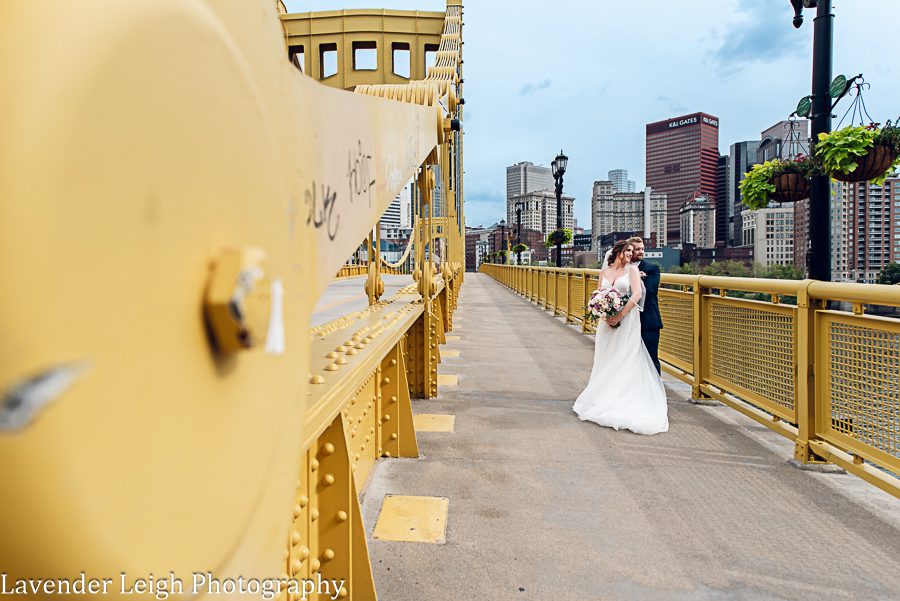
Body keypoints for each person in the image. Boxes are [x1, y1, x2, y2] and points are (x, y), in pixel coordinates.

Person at [572, 240, 668, 435]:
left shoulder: (632, 270)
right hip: (606, 323)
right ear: (618, 251)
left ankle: (624, 398)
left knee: (625, 357)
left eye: (633, 251)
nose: (631, 254)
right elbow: (598, 292)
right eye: (629, 250)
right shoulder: (604, 271)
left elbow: (638, 293)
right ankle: (603, 396)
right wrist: (603, 312)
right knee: (606, 357)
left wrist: (620, 314)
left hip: (627, 320)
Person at [627, 236, 663, 375]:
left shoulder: (652, 269)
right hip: (627, 322)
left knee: (650, 358)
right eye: (637, 249)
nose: (641, 252)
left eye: (642, 249)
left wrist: (636, 279)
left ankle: (656, 392)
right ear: (629, 251)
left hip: (648, 321)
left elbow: (649, 292)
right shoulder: (621, 269)